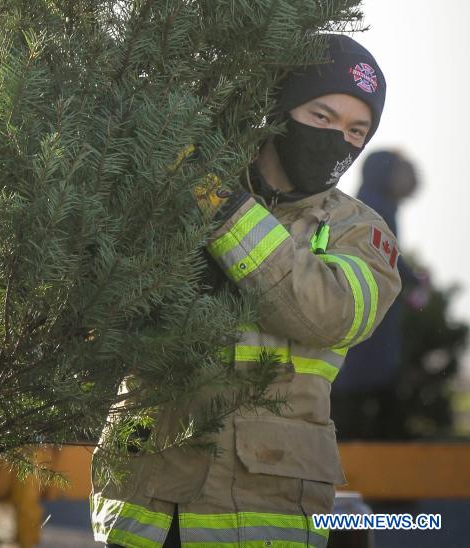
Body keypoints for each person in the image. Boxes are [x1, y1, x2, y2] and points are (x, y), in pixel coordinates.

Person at [91, 34, 402, 548]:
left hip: (265, 507)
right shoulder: (181, 181)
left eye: (355, 130)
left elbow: (325, 312)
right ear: (279, 110)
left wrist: (221, 205)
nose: (336, 140)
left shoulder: (363, 232)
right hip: (142, 498)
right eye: (322, 117)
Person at [331, 150, 420, 440]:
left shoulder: (371, 202)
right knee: (370, 384)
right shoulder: (375, 206)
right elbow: (388, 255)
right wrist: (414, 280)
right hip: (367, 311)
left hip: (371, 311)